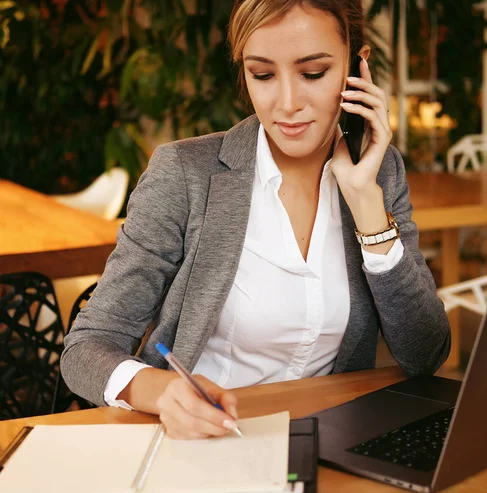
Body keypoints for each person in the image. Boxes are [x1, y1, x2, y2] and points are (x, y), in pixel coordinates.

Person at [61, 0, 450, 440]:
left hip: (328, 442)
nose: (286, 103)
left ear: (356, 68)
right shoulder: (186, 173)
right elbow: (85, 348)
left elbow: (425, 355)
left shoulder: (380, 172)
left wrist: (365, 204)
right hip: (199, 444)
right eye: (262, 74)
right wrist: (162, 391)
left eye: (313, 73)